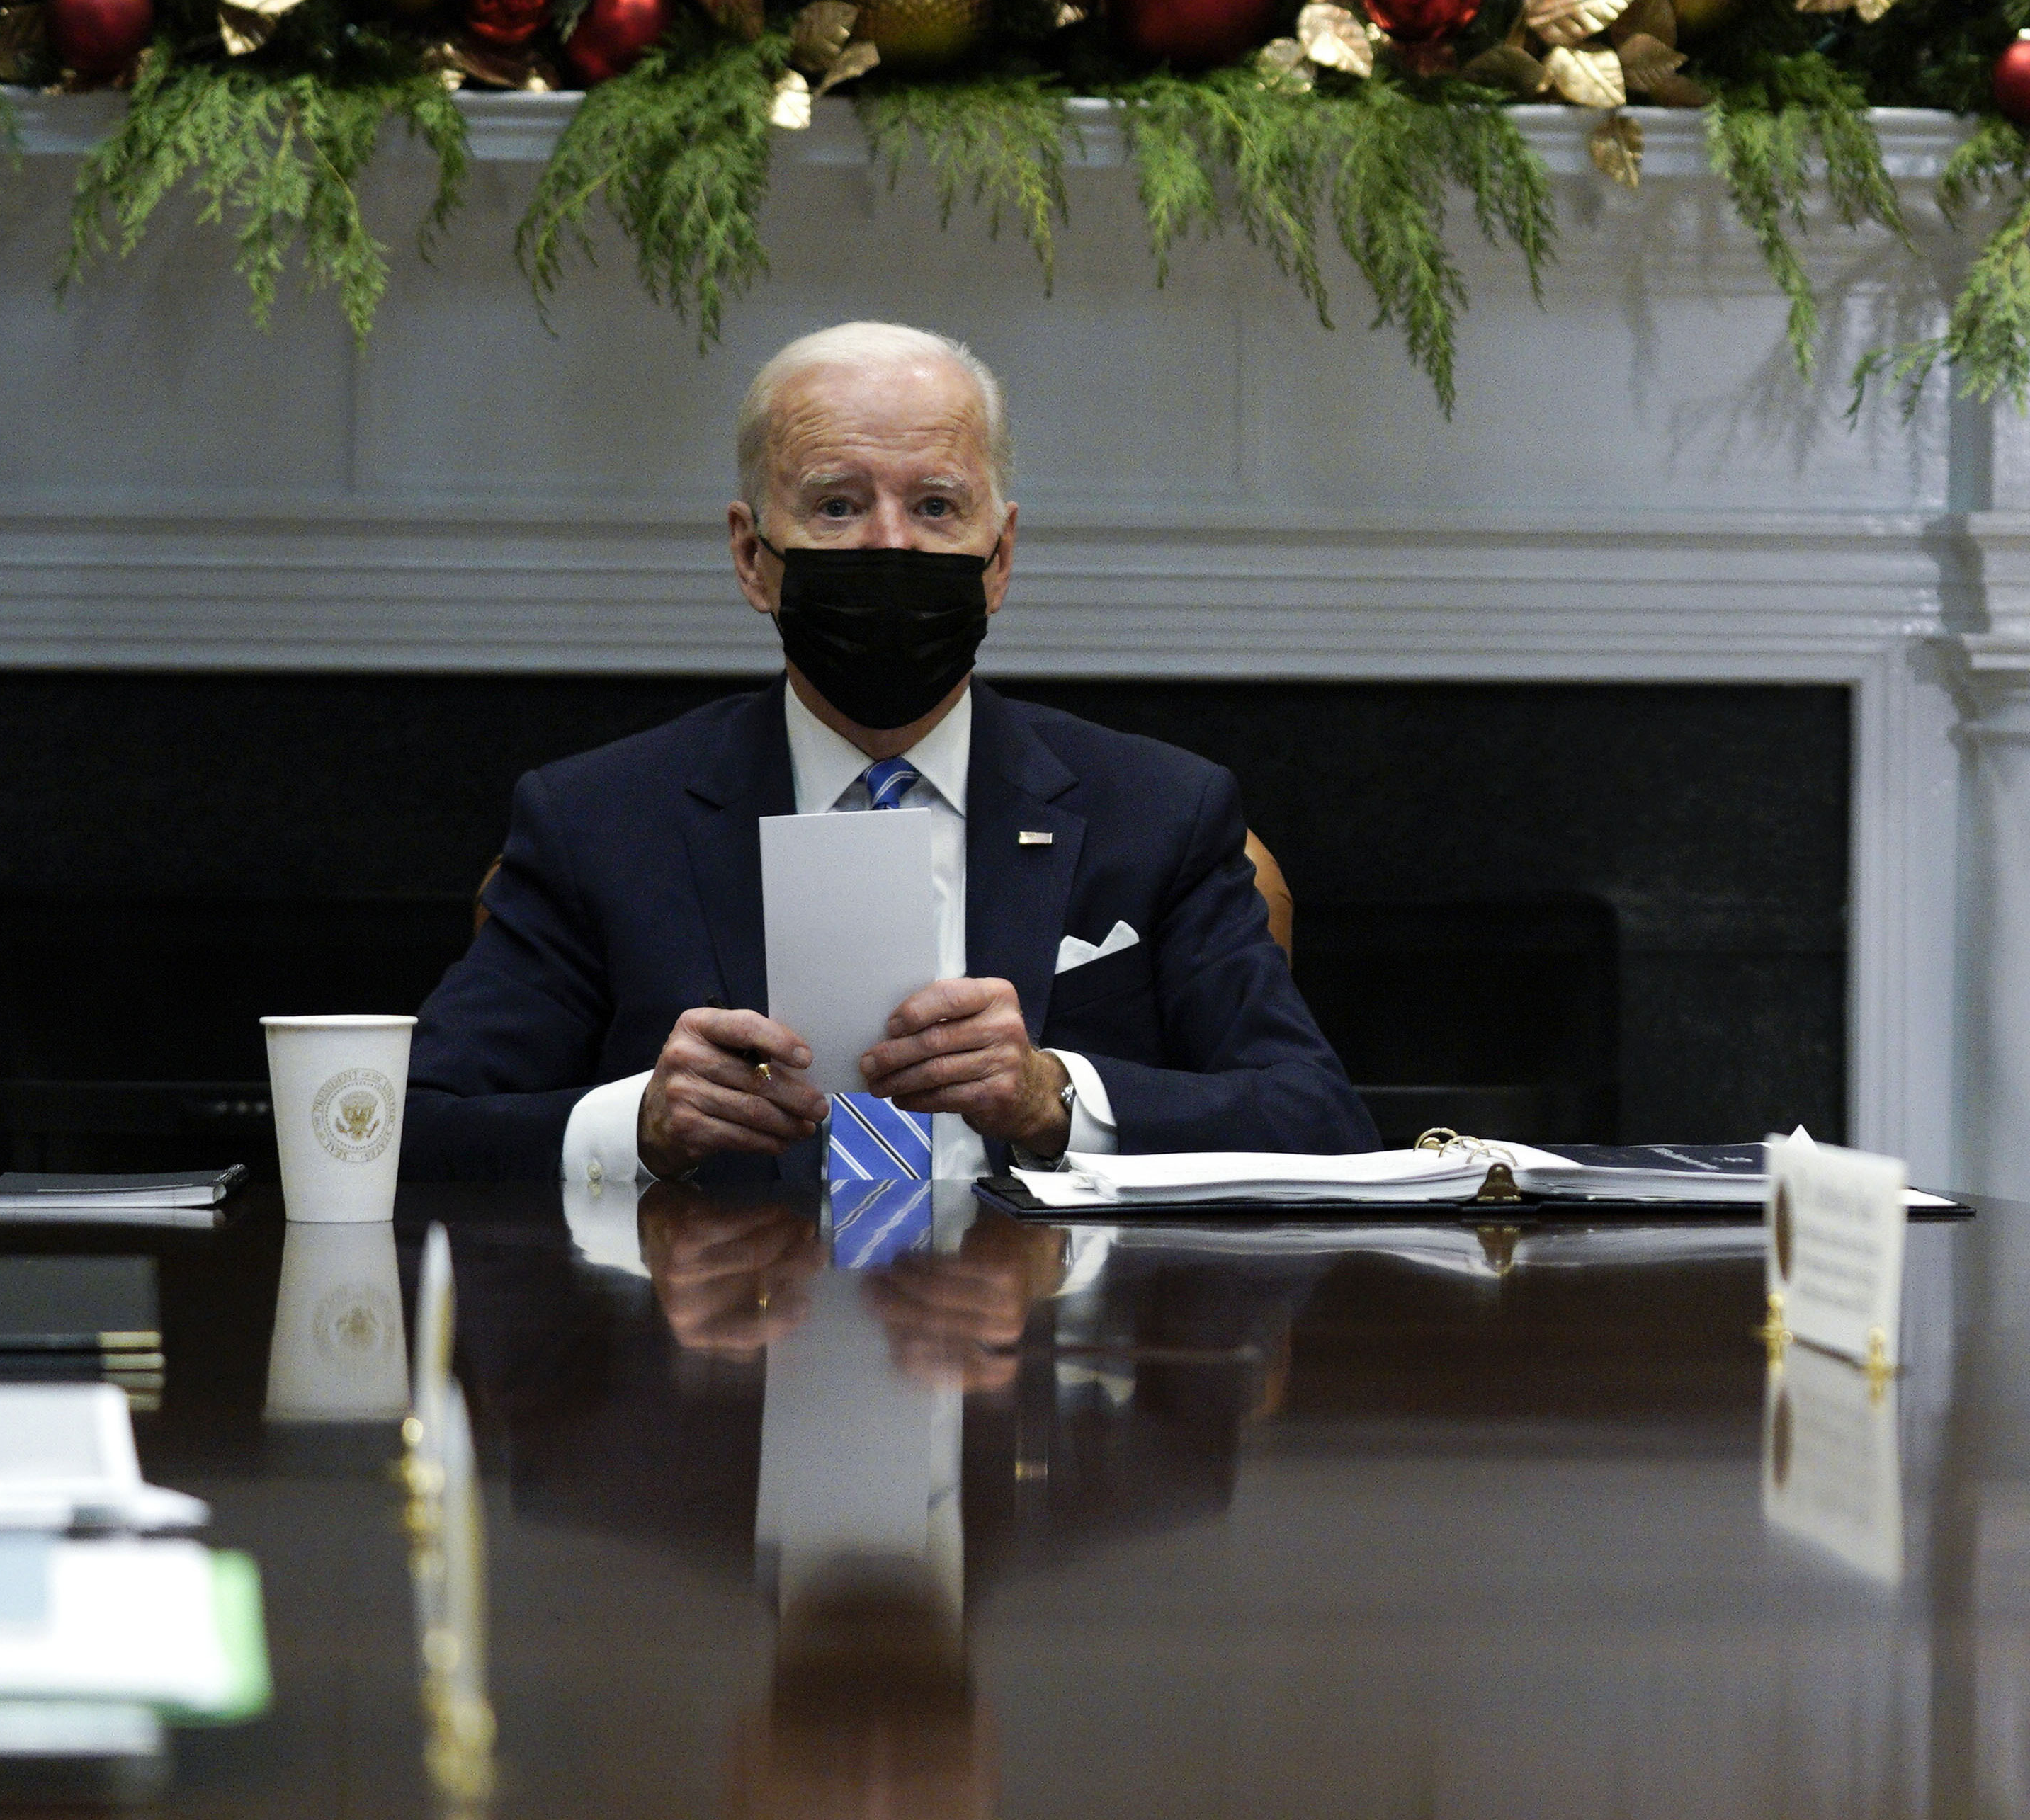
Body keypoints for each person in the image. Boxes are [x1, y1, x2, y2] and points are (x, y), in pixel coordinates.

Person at [407, 322, 1375, 1178]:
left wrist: (1057, 1099)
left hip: (1044, 1354)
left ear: (999, 560)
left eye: (937, 508)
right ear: (752, 557)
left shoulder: (1160, 812)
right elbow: (410, 1129)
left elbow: (1322, 1123)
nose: (892, 547)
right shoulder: (599, 822)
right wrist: (640, 1126)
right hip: (718, 1355)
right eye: (835, 507)